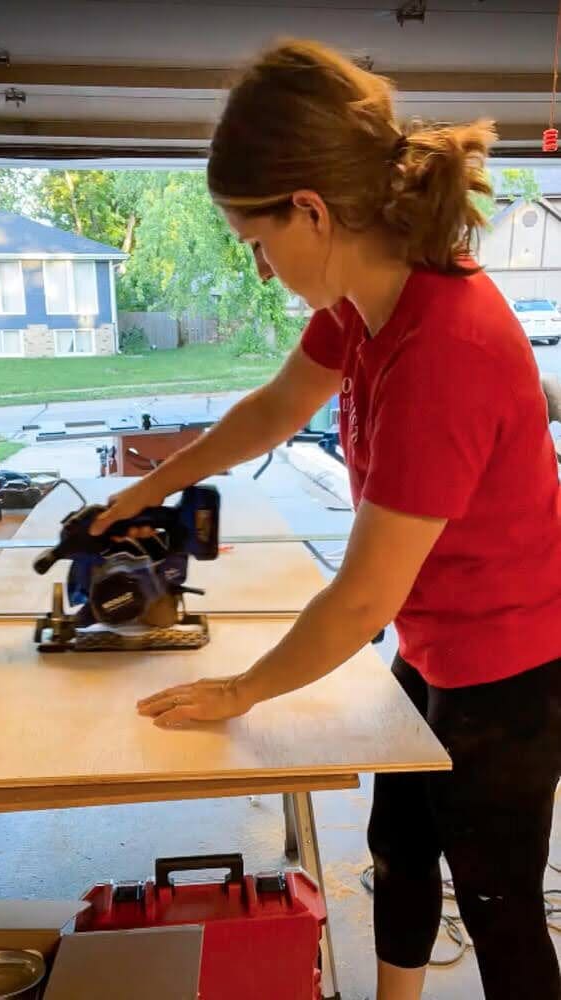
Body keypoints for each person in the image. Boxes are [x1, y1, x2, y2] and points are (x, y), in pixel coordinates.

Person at [91, 40, 561, 1000]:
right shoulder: (364, 302)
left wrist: (242, 692)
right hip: (435, 638)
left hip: (513, 663)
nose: (260, 271)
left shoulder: (446, 346)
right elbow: (275, 407)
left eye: (257, 244)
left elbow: (356, 602)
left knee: (498, 899)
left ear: (310, 209)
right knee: (397, 846)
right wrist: (149, 489)